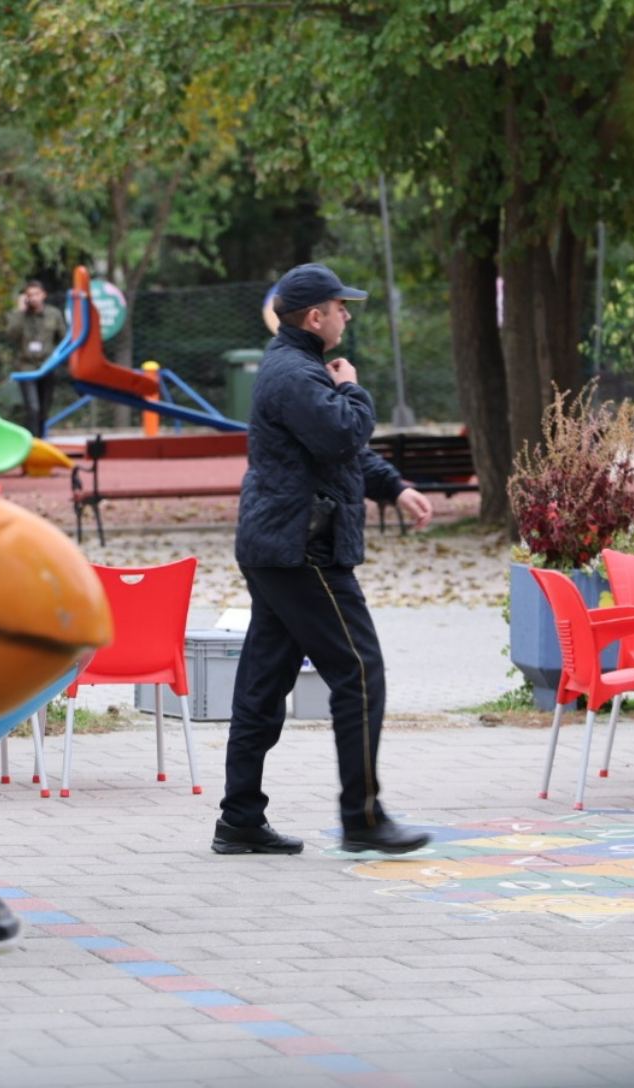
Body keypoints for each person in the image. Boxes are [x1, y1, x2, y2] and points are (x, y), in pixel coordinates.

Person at [212, 263, 435, 858]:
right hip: (301, 549)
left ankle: (239, 820)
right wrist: (353, 387)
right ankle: (362, 817)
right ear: (315, 317)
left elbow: (339, 454)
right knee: (360, 673)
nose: (348, 315)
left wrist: (393, 487)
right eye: (341, 307)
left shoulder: (300, 370)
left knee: (262, 684)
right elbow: (343, 433)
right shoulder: (297, 374)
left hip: (281, 547)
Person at [6, 280, 67, 435]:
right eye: (29, 295)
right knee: (33, 408)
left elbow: (63, 338)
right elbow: (11, 335)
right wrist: (20, 311)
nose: (33, 298)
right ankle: (33, 443)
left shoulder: (54, 314)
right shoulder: (21, 315)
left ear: (43, 295)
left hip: (47, 367)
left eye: (36, 294)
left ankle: (40, 440)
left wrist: (58, 359)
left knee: (43, 410)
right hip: (27, 368)